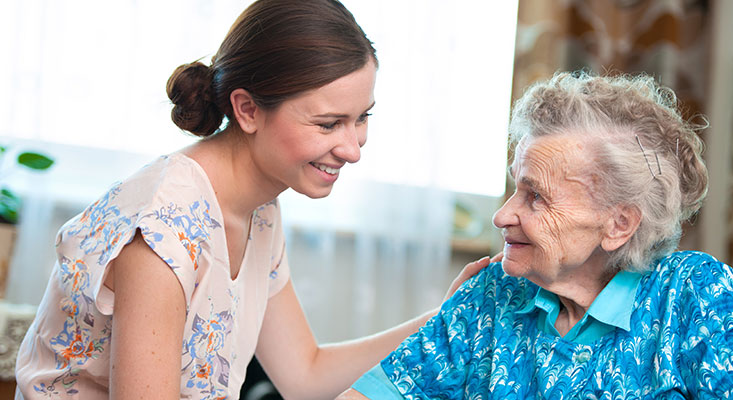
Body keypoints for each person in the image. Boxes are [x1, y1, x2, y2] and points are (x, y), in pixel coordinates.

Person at [14, 1, 493, 398]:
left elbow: (305, 374)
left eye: (361, 118)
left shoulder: (259, 206)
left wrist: (445, 321)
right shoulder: (163, 229)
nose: (352, 149)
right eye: (328, 124)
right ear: (247, 109)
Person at [338, 71, 733, 399]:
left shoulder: (686, 293)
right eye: (516, 187)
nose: (502, 216)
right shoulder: (495, 293)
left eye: (536, 197)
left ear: (618, 224)